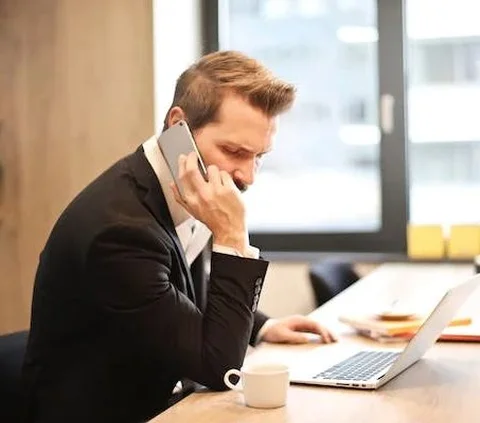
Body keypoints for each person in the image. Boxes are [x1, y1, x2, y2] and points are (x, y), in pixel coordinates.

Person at [22, 50, 336, 423]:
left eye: (259, 156)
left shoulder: (182, 183)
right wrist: (232, 236)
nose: (247, 177)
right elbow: (219, 367)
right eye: (234, 151)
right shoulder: (119, 232)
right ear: (178, 127)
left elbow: (180, 285)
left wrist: (261, 326)